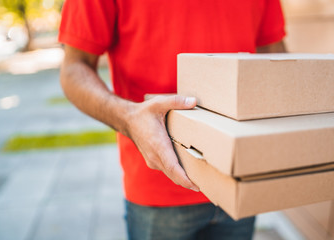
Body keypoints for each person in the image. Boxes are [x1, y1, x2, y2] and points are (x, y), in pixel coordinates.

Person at [59, 1, 286, 239]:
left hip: (239, 176)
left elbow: (274, 56)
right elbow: (74, 68)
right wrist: (128, 117)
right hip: (158, 189)